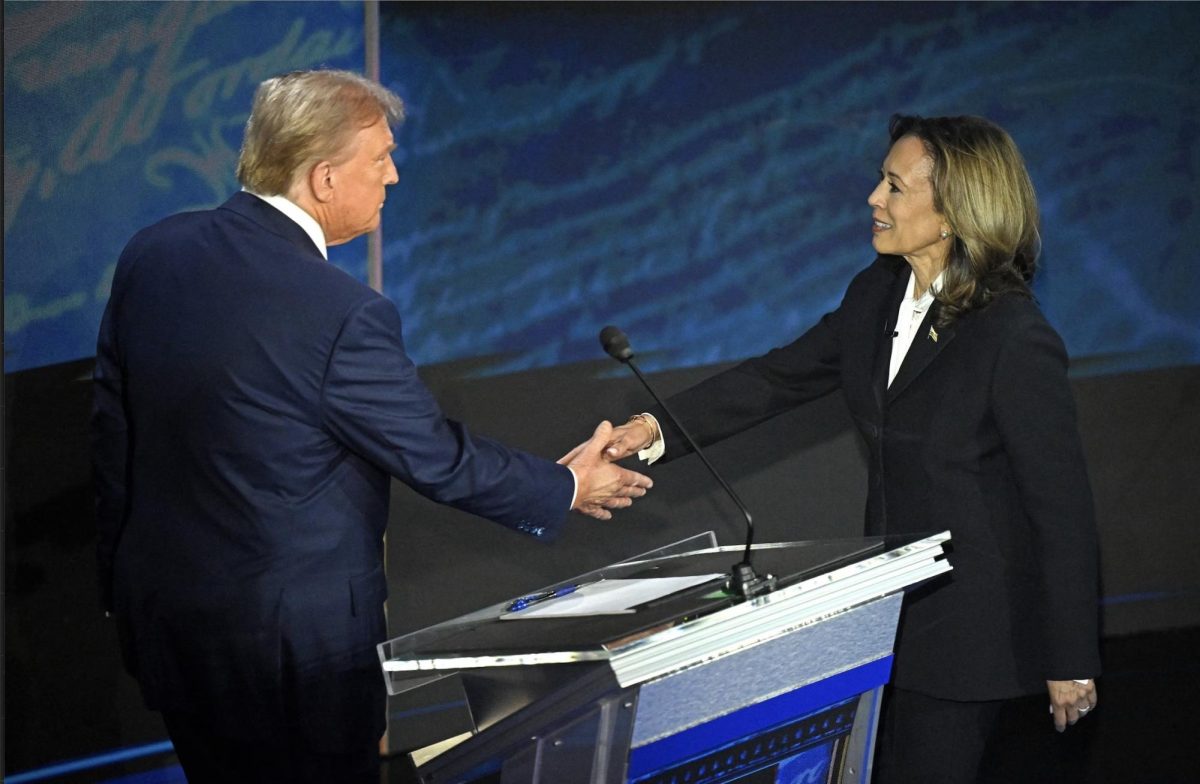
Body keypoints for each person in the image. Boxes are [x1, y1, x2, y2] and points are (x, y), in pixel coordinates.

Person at [90, 69, 652, 783]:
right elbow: (434, 455)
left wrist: (120, 589)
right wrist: (564, 485)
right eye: (380, 158)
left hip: (175, 629)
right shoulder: (339, 311)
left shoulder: (156, 252)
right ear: (323, 178)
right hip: (296, 662)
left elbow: (115, 436)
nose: (391, 176)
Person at [601, 114, 1100, 783]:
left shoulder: (1011, 335)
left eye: (894, 186)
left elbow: (1060, 505)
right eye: (880, 180)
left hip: (971, 629)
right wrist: (654, 429)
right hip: (887, 618)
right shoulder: (877, 292)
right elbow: (778, 377)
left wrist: (1070, 656)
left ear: (953, 211)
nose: (874, 198)